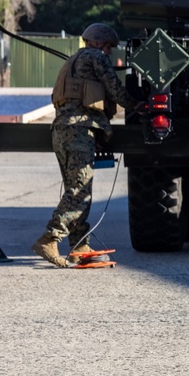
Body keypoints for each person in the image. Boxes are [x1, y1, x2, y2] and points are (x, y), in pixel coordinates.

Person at [32, 23, 140, 268]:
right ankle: (49, 239)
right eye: (109, 47)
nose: (110, 52)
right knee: (80, 191)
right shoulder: (95, 57)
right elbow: (114, 89)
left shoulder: (73, 60)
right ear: (100, 43)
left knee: (75, 188)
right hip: (79, 130)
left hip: (61, 129)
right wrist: (138, 105)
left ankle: (79, 244)